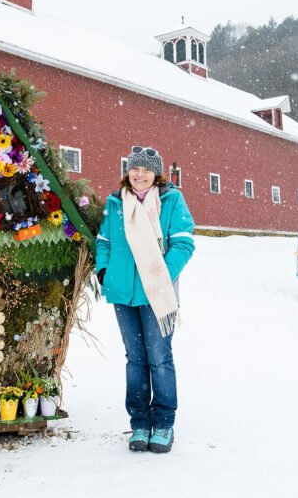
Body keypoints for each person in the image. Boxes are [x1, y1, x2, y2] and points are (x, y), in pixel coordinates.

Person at [95, 146, 195, 453]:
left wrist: (162, 274)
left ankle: (163, 423)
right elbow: (104, 241)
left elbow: (184, 242)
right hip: (123, 293)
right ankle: (139, 422)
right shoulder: (115, 202)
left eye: (146, 170)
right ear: (128, 171)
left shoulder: (171, 200)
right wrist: (103, 272)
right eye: (135, 169)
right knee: (135, 359)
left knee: (159, 358)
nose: (140, 175)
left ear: (157, 174)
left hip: (158, 293)